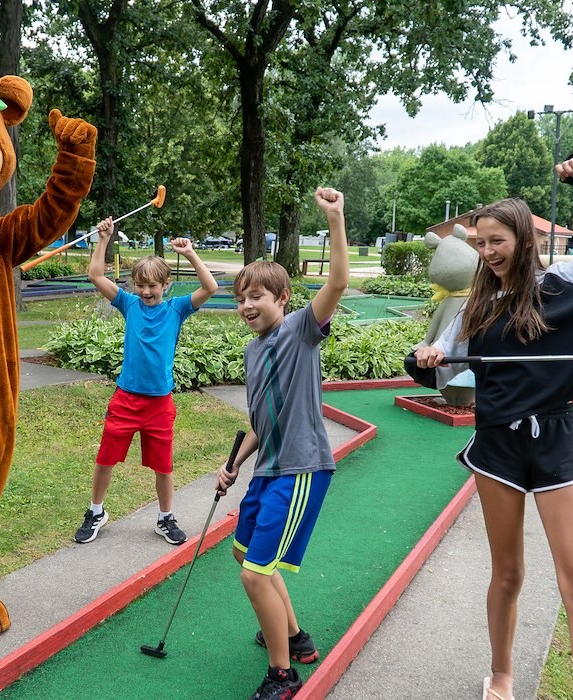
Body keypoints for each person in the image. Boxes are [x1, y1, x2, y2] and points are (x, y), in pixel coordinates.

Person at [410, 153, 573, 700]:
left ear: (524, 238)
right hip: (496, 443)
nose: (486, 253)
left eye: (495, 241)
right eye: (479, 243)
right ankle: (501, 676)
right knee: (508, 574)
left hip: (555, 439)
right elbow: (441, 361)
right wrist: (425, 356)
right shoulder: (476, 305)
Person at [217, 187, 348, 700]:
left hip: (300, 469)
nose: (247, 305)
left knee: (255, 576)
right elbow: (260, 421)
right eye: (241, 297)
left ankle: (282, 675)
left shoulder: (300, 331)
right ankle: (294, 636)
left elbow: (337, 281)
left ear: (282, 300)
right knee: (244, 554)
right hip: (267, 466)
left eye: (257, 297)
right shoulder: (253, 352)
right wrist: (234, 465)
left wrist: (334, 219)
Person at [73, 219, 220, 546]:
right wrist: (103, 239)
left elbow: (210, 287)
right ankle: (96, 511)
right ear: (134, 285)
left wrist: (191, 253)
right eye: (140, 285)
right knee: (105, 458)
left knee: (163, 466)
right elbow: (96, 275)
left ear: (166, 285)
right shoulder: (128, 303)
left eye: (153, 285)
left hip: (159, 404)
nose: (146, 291)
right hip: (126, 400)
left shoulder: (177, 308)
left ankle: (165, 518)